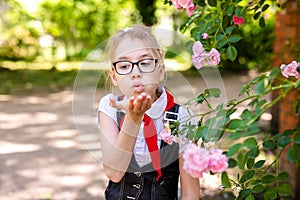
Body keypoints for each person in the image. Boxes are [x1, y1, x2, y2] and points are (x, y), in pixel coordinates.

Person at [97, 25, 200, 200]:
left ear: (160, 69)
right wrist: (133, 118)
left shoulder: (183, 117)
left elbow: (190, 192)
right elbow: (114, 173)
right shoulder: (109, 107)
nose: (136, 73)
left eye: (145, 63)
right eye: (124, 66)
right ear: (114, 76)